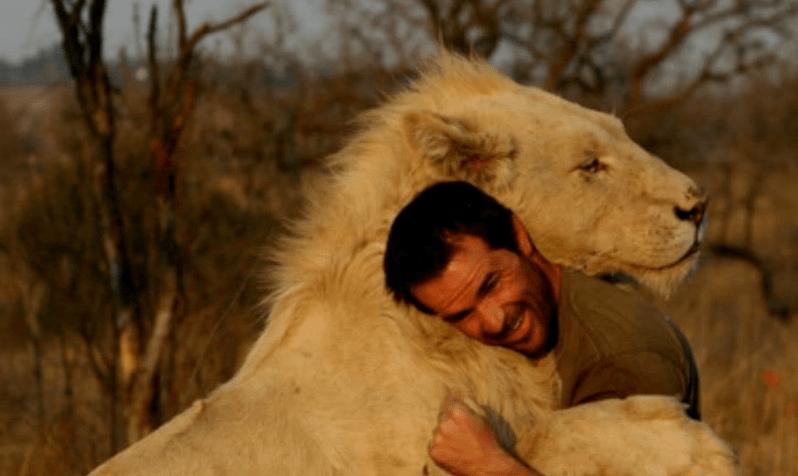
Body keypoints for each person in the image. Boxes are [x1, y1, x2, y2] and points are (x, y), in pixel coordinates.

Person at [383, 181, 700, 476]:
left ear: (520, 238)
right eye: (463, 315)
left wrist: (490, 465)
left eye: (491, 284)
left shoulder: (617, 359)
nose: (494, 322)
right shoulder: (555, 312)